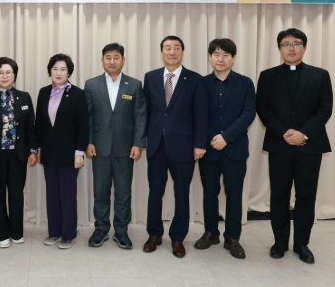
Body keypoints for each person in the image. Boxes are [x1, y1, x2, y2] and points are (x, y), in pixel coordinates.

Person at [256, 28, 333, 264]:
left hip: (309, 146)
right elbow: (263, 108)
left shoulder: (320, 75)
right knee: (279, 196)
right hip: (279, 145)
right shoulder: (267, 76)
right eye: (286, 44)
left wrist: (303, 133)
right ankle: (279, 242)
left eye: (296, 43)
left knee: (305, 197)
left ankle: (302, 243)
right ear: (279, 48)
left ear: (305, 47)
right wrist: (284, 133)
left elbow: (325, 109)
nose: (291, 48)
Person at [142, 36, 208, 258]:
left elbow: (201, 115)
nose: (172, 51)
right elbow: (146, 112)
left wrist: (199, 144)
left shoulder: (195, 79)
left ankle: (178, 237)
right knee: (155, 192)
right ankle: (154, 234)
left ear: (182, 52)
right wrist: (143, 140)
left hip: (184, 146)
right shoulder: (150, 77)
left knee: (182, 193)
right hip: (156, 145)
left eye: (176, 48)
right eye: (168, 48)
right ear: (161, 52)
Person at [194, 38, 256, 259]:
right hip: (209, 149)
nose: (221, 59)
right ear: (209, 57)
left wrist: (226, 137)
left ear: (233, 58)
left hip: (235, 148)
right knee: (210, 192)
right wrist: (212, 138)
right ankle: (211, 232)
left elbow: (248, 113)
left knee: (234, 194)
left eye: (226, 55)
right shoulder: (200, 83)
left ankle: (232, 237)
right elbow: (197, 114)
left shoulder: (245, 83)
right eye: (216, 54)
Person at [85, 43, 147, 250]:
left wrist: (138, 143)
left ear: (123, 60)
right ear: (102, 60)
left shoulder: (134, 85)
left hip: (125, 147)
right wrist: (89, 141)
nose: (112, 61)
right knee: (100, 190)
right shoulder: (91, 85)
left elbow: (140, 116)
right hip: (99, 146)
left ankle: (121, 230)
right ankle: (101, 228)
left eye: (116, 57)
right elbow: (88, 116)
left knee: (123, 191)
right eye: (108, 57)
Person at [0, 57, 38, 248]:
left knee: (16, 194)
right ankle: (1, 234)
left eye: (8, 72)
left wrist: (33, 151)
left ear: (14, 75)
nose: (4, 76)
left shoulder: (24, 97)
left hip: (18, 154)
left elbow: (30, 127)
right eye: (0, 73)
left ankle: (16, 232)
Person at [35, 54, 89, 249]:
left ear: (69, 72)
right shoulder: (43, 92)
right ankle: (54, 232)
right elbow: (39, 124)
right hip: (48, 152)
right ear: (50, 71)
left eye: (63, 69)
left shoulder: (77, 94)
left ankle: (68, 234)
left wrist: (79, 152)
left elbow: (83, 126)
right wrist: (38, 148)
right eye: (55, 69)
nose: (58, 73)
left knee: (67, 195)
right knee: (52, 194)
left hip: (69, 153)